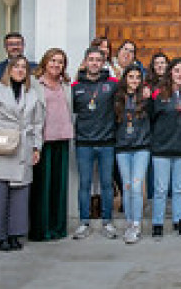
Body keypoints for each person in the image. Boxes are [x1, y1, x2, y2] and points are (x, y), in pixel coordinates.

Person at [0, 56, 46, 252]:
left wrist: (36, 147)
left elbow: (37, 124)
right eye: (16, 66)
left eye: (23, 67)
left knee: (20, 193)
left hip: (24, 145)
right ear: (9, 69)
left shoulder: (32, 93)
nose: (20, 70)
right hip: (0, 145)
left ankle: (15, 233)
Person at [71, 47, 119, 240]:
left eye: (98, 60)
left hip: (107, 142)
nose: (94, 63)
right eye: (91, 59)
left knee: (107, 184)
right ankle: (84, 222)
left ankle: (107, 221)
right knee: (85, 184)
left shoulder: (112, 84)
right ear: (85, 62)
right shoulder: (75, 87)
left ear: (103, 62)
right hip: (84, 142)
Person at [28, 48, 73, 242]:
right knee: (42, 187)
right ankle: (41, 229)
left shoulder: (66, 85)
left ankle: (58, 227)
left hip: (62, 139)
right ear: (45, 62)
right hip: (43, 140)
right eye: (53, 61)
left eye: (60, 62)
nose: (56, 65)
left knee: (58, 186)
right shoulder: (34, 84)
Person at [149, 58, 181, 238]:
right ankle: (157, 223)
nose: (180, 75)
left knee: (178, 188)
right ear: (170, 73)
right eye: (176, 71)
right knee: (160, 189)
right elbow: (151, 118)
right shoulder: (158, 94)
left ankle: (178, 221)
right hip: (161, 148)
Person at [114, 65, 152, 244]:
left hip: (141, 147)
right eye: (131, 77)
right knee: (127, 186)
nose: (134, 80)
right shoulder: (117, 99)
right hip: (122, 147)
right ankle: (129, 222)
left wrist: (149, 98)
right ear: (125, 79)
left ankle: (136, 223)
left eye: (138, 77)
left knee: (137, 186)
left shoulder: (145, 98)